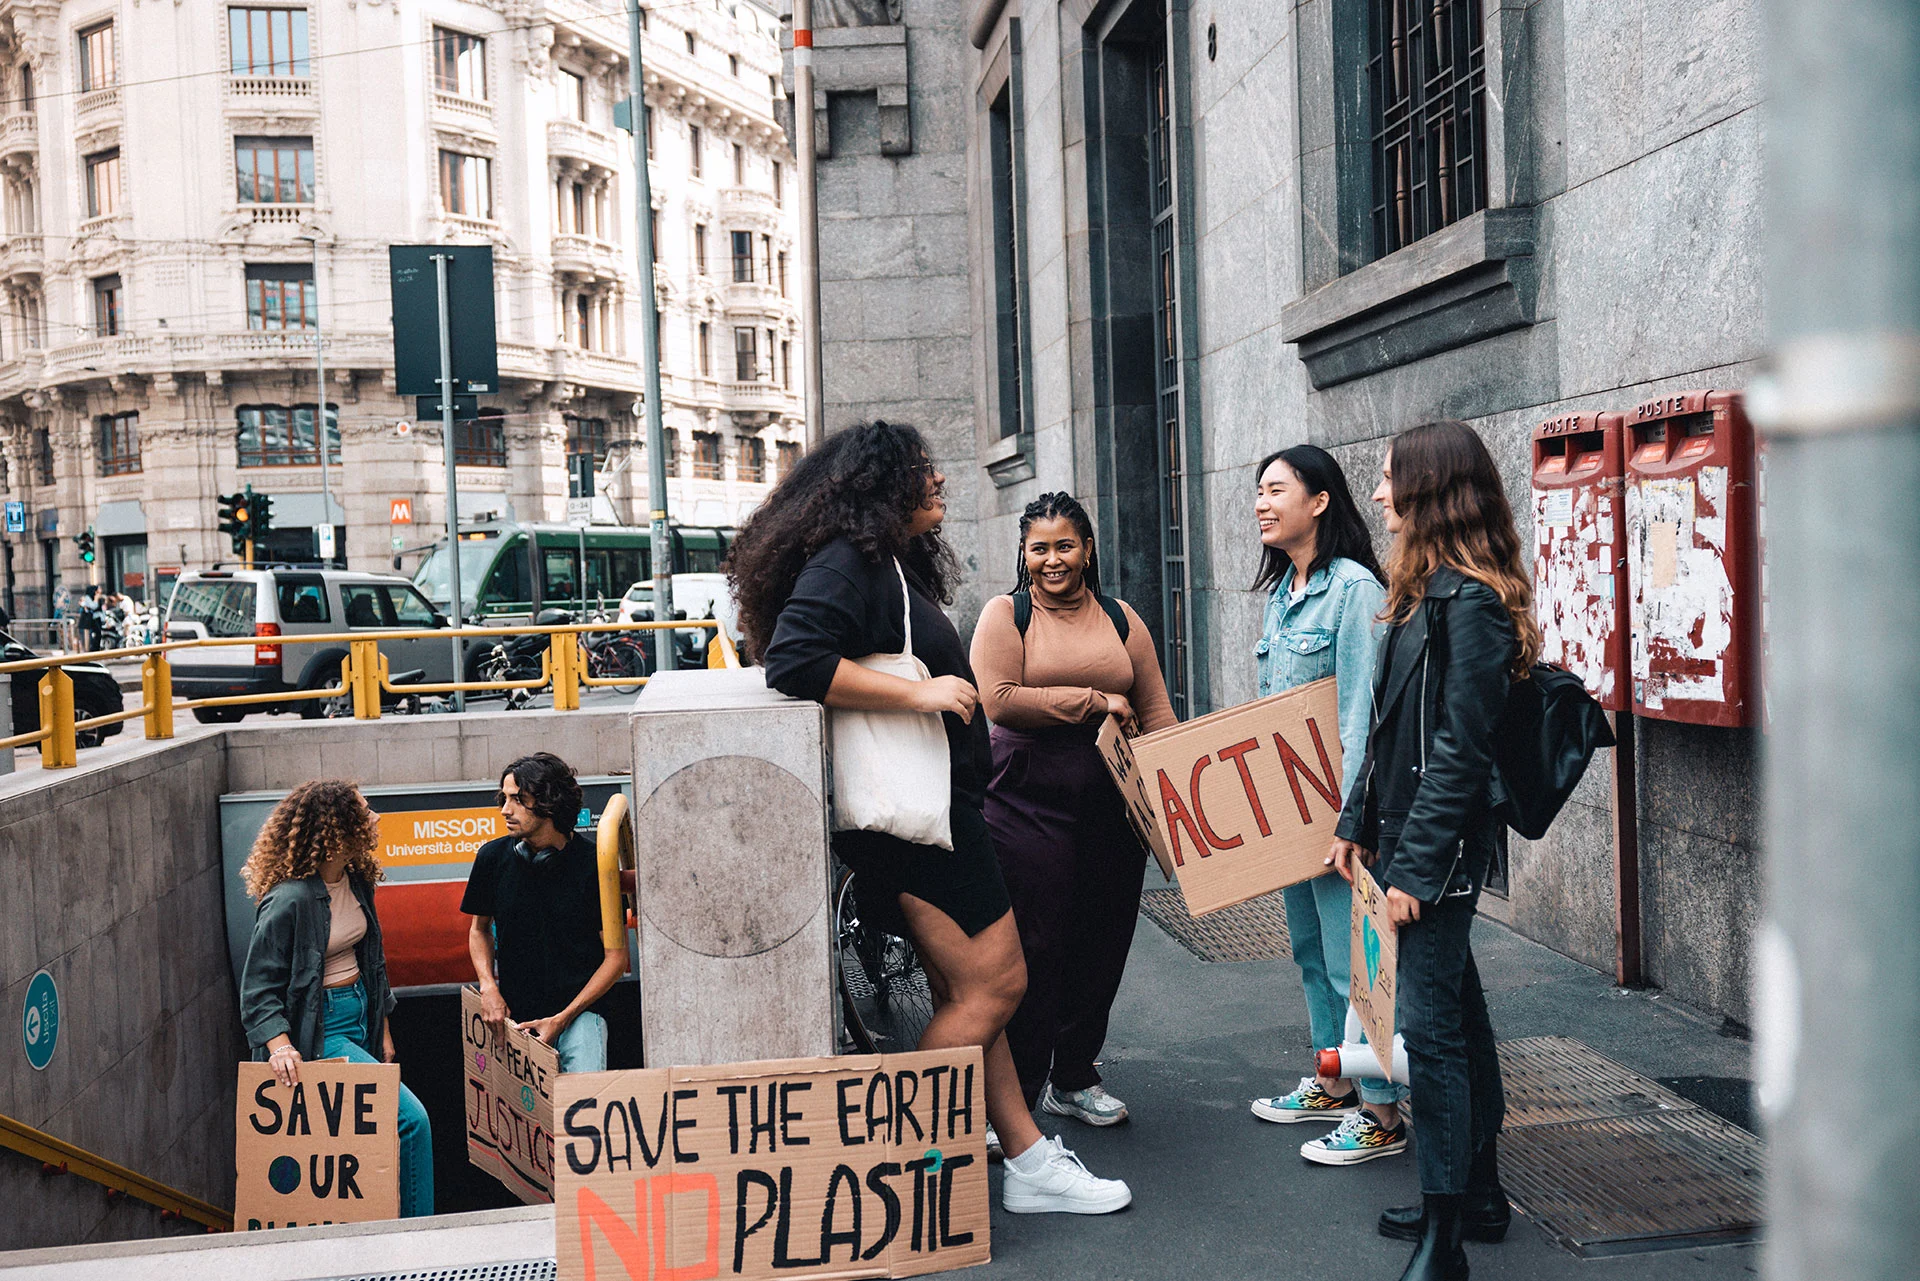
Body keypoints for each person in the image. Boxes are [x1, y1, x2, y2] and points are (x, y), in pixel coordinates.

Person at [734, 421, 1132, 1216]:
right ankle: (898, 1164)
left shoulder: (879, 560)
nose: (940, 481)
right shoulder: (849, 559)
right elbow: (796, 658)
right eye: (924, 471)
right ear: (883, 485)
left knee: (968, 988)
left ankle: (1026, 1160)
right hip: (921, 826)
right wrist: (920, 693)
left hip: (931, 817)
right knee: (1000, 983)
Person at [1329, 420, 1537, 1281]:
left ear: (1428, 492)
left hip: (1435, 856)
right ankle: (1474, 1195)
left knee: (1431, 1034)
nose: (1377, 496)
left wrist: (1411, 869)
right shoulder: (1424, 595)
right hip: (1405, 842)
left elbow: (1461, 749)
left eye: (1388, 481)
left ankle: (1445, 1240)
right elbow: (1386, 732)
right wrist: (1352, 819)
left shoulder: (1473, 605)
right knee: (1460, 1016)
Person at [969, 491, 1175, 1126]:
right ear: (1023, 554)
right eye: (1040, 548)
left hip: (1112, 803)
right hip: (1027, 799)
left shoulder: (1119, 617)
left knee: (1104, 939)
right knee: (1037, 946)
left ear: (1088, 550)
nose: (1052, 559)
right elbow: (998, 699)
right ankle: (1017, 1102)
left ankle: (1075, 1075)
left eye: (1065, 545)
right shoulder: (1007, 615)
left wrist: (1178, 796)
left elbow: (1157, 710)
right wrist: (1092, 701)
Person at [1243, 446, 1414, 1165]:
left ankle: (1381, 1111)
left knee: (1358, 966)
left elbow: (1358, 714)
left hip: (1341, 817)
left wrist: (1356, 819)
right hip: (1294, 814)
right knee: (1313, 953)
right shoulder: (1283, 590)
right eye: (1258, 490)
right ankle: (1333, 1078)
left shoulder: (1352, 590)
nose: (1261, 501)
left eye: (1276, 489)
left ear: (1319, 500)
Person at [238, 779, 434, 1218]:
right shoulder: (289, 899)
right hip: (320, 1031)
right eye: (365, 813)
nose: (376, 818)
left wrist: (382, 1026)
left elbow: (373, 960)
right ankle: (423, 1236)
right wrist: (281, 1046)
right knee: (410, 1122)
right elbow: (257, 989)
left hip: (361, 1014)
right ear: (337, 830)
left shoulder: (357, 881)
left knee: (360, 1141)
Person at [464, 752, 627, 1072]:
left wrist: (563, 1019)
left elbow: (616, 958)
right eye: (504, 798)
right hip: (516, 1018)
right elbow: (478, 930)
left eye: (517, 800)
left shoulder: (595, 863)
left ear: (549, 803)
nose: (504, 810)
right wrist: (488, 986)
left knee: (584, 1113)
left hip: (581, 1015)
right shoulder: (492, 858)